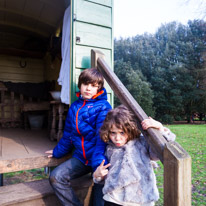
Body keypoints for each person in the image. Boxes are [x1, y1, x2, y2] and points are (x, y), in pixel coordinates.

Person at [45, 68, 112, 206]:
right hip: (81, 158)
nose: (88, 88)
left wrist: (98, 165)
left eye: (93, 86)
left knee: (99, 197)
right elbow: (68, 134)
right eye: (85, 84)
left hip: (100, 158)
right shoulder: (74, 107)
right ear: (80, 85)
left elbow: (102, 138)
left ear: (99, 89)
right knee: (55, 177)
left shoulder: (103, 107)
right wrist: (58, 151)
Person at [93, 105, 176, 206]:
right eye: (113, 133)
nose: (117, 138)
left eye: (122, 132)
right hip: (114, 199)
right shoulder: (109, 148)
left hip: (141, 199)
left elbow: (158, 153)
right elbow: (107, 176)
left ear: (130, 129)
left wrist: (161, 129)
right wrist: (98, 176)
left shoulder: (142, 142)